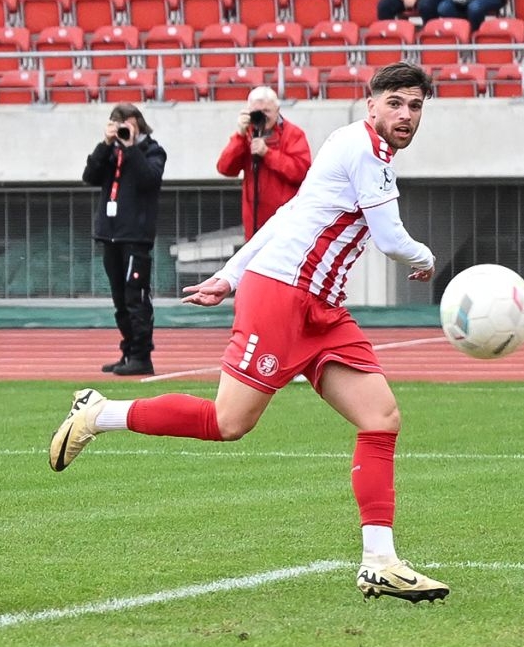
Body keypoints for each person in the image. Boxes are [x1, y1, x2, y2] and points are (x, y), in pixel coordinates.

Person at [48, 63, 451, 605]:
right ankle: (100, 413)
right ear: (371, 104)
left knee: (381, 418)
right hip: (283, 297)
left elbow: (288, 214)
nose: (405, 115)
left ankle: (380, 562)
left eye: (415, 106)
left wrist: (230, 273)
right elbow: (391, 238)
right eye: (395, 103)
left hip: (322, 309)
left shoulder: (349, 145)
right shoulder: (363, 150)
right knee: (228, 422)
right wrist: (426, 259)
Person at [80, 104, 166, 377]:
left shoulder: (153, 151)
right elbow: (90, 176)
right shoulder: (110, 151)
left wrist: (130, 148)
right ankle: (128, 351)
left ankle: (142, 356)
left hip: (135, 236)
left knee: (135, 297)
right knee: (119, 299)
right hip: (111, 235)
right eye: (117, 124)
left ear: (138, 123)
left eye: (127, 124)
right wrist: (105, 145)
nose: (123, 130)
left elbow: (149, 180)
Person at [217, 86, 312, 241]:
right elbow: (225, 168)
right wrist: (240, 136)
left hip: (286, 224)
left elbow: (301, 172)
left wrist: (267, 153)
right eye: (257, 112)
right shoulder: (246, 134)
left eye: (267, 111)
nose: (262, 116)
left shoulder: (293, 134)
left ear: (277, 110)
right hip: (254, 225)